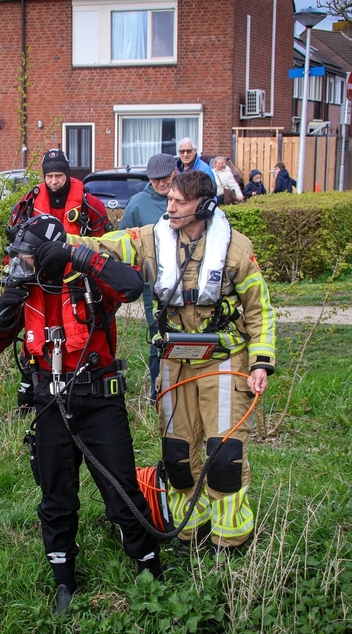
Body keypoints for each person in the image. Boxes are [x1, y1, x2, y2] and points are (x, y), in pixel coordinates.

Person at [75, 171, 276, 553]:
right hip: (174, 362)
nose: (170, 207)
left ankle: (230, 541)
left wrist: (261, 362)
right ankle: (191, 532)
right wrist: (63, 244)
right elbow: (108, 245)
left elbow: (260, 311)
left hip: (224, 361)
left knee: (225, 457)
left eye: (179, 202)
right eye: (169, 200)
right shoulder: (153, 238)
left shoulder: (236, 249)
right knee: (178, 456)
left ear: (204, 205)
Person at [0, 214, 163, 615]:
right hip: (49, 403)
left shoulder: (84, 278)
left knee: (121, 491)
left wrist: (78, 256)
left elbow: (132, 286)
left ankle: (149, 566)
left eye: (26, 257)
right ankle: (64, 579)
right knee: (57, 499)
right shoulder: (23, 288)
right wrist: (8, 306)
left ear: (47, 253)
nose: (18, 264)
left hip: (99, 400)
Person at [8, 149, 113, 414]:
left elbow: (107, 244)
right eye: (49, 176)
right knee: (35, 332)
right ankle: (31, 392)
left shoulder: (89, 204)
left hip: (77, 280)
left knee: (83, 333)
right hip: (38, 280)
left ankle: (83, 386)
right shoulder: (29, 202)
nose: (54, 181)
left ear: (67, 174)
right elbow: (12, 238)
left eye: (59, 175)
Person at [121, 152, 179, 399]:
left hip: (188, 281)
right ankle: (159, 395)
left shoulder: (189, 197)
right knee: (159, 338)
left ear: (175, 172)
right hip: (154, 286)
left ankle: (184, 389)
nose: (161, 184)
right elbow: (123, 243)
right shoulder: (137, 204)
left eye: (165, 178)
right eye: (155, 180)